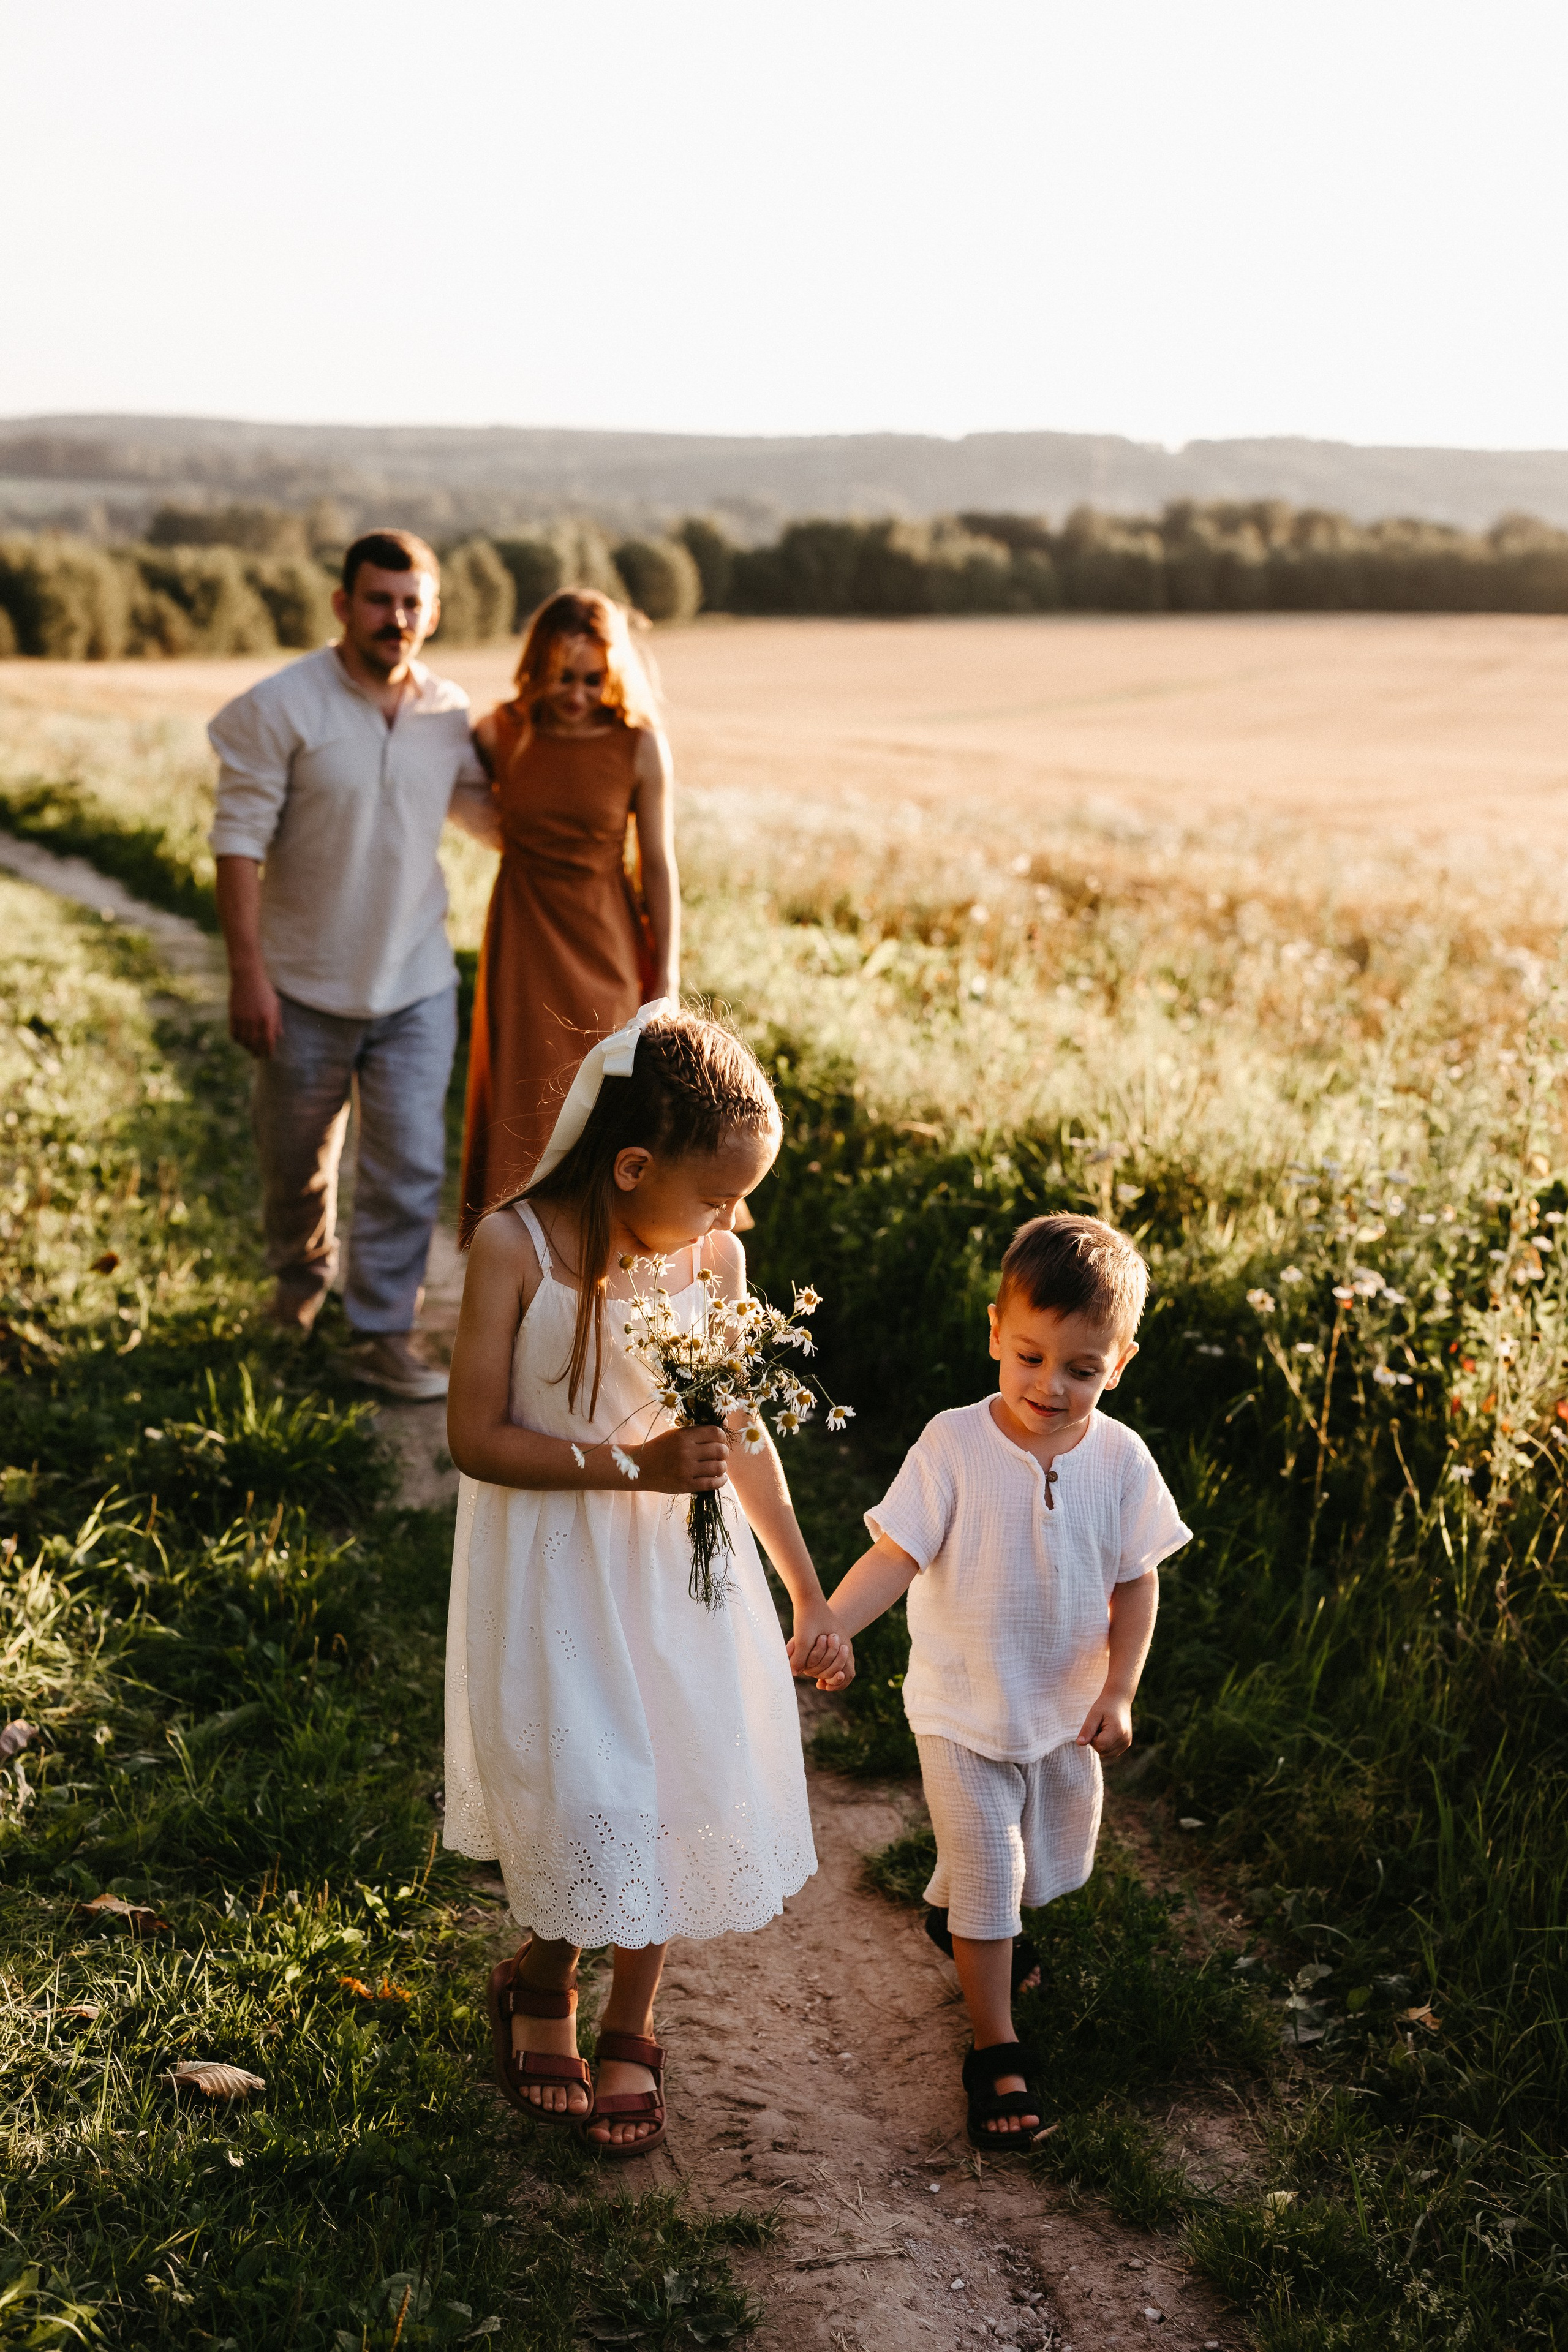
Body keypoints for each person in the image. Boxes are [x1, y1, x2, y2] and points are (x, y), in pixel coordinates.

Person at [442, 1003, 849, 2154]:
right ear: (630, 1167)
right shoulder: (513, 1248)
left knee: (671, 1782)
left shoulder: (711, 1257)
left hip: (681, 1577)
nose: (736, 1218)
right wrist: (634, 1463)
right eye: (720, 1192)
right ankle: (544, 1980)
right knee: (591, 1793)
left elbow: (737, 1435)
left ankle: (633, 2016)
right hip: (560, 1567)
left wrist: (809, 1591)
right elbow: (475, 1438)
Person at [819, 1213, 1191, 2147]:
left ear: (1121, 1363)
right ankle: (996, 2049)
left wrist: (1119, 1691)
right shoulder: (952, 1445)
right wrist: (829, 1623)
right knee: (994, 1869)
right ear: (995, 1331)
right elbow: (896, 1556)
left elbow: (1136, 1581)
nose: (1050, 1387)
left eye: (1082, 1369)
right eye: (1029, 1357)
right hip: (961, 1705)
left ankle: (962, 1921)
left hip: (1062, 1712)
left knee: (1040, 1862)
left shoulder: (1122, 1462)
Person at [208, 529, 500, 1401]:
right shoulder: (280, 706)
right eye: (379, 600)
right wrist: (248, 975)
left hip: (416, 985)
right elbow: (236, 847)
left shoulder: (449, 715)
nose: (396, 618)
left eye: (413, 603)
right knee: (293, 1163)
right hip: (299, 988)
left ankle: (381, 1332)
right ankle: (297, 1293)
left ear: (434, 611)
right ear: (343, 604)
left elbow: (500, 821)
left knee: (408, 1165)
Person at [458, 589, 678, 1243]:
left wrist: (664, 978)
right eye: (562, 677)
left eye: (591, 679)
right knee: (523, 1104)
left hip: (606, 943)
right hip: (522, 945)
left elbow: (660, 866)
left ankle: (601, 1267)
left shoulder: (639, 746)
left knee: (604, 1104)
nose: (577, 694)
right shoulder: (502, 732)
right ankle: (516, 1266)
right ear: (535, 667)